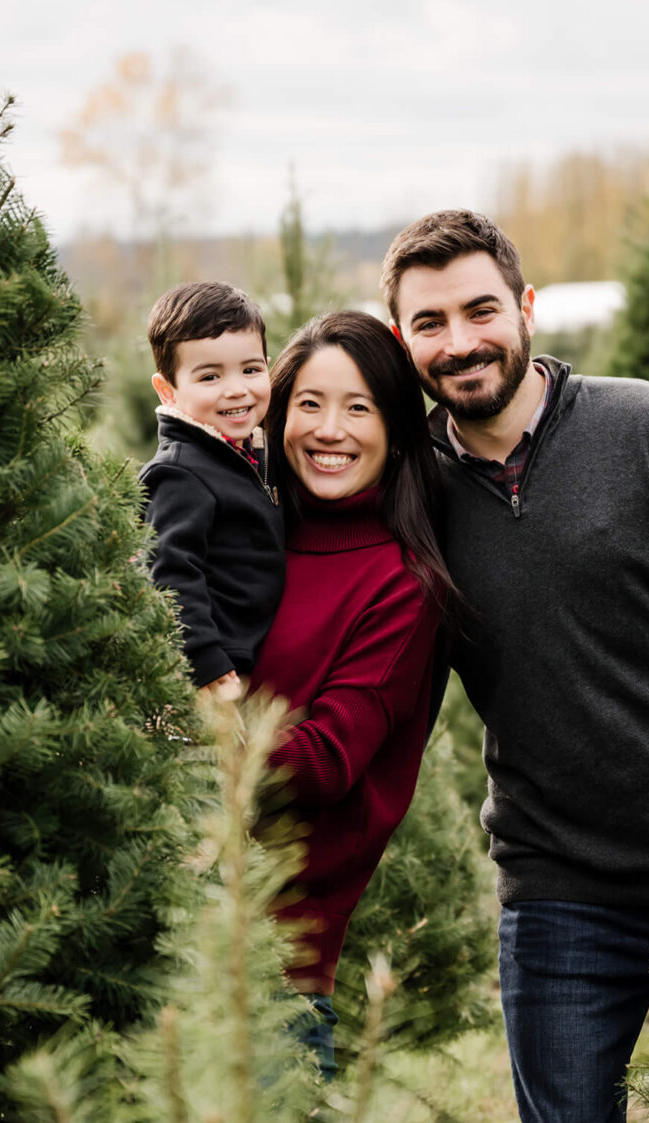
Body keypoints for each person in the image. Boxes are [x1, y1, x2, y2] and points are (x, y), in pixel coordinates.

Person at [381, 209, 649, 1122]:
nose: (461, 341)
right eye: (429, 323)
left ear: (526, 308)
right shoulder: (409, 500)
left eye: (480, 309)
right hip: (561, 887)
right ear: (403, 341)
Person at [248, 310, 462, 1078]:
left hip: (275, 970)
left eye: (358, 407)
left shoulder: (403, 583)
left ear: (398, 431)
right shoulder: (245, 533)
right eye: (308, 402)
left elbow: (322, 762)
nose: (328, 429)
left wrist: (186, 726)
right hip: (163, 935)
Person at [138, 281, 284, 703]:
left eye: (251, 370)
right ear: (168, 390)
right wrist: (202, 660)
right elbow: (167, 569)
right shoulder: (180, 472)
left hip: (252, 658)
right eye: (210, 376)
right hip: (215, 676)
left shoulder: (247, 454)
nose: (236, 388)